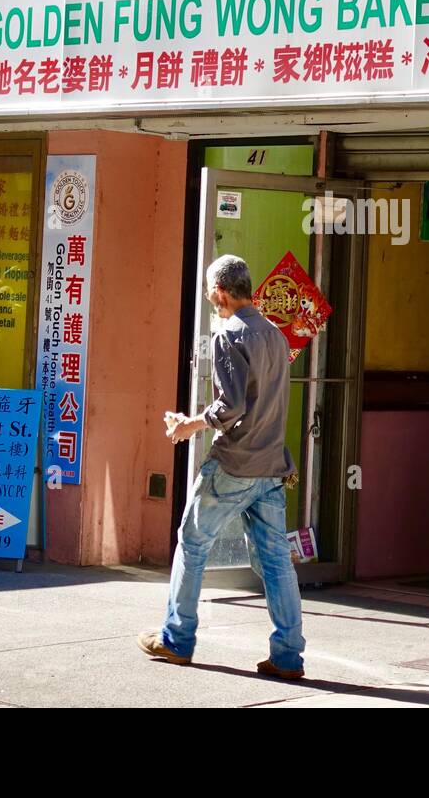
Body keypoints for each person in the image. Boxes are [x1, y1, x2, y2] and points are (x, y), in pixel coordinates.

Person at [138, 254, 306, 680]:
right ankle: (287, 656)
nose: (212, 299)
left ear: (220, 292)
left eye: (211, 293)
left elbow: (229, 407)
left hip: (234, 464)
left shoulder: (229, 334)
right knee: (276, 563)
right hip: (270, 465)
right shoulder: (274, 335)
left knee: (192, 543)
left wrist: (189, 425)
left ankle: (177, 640)